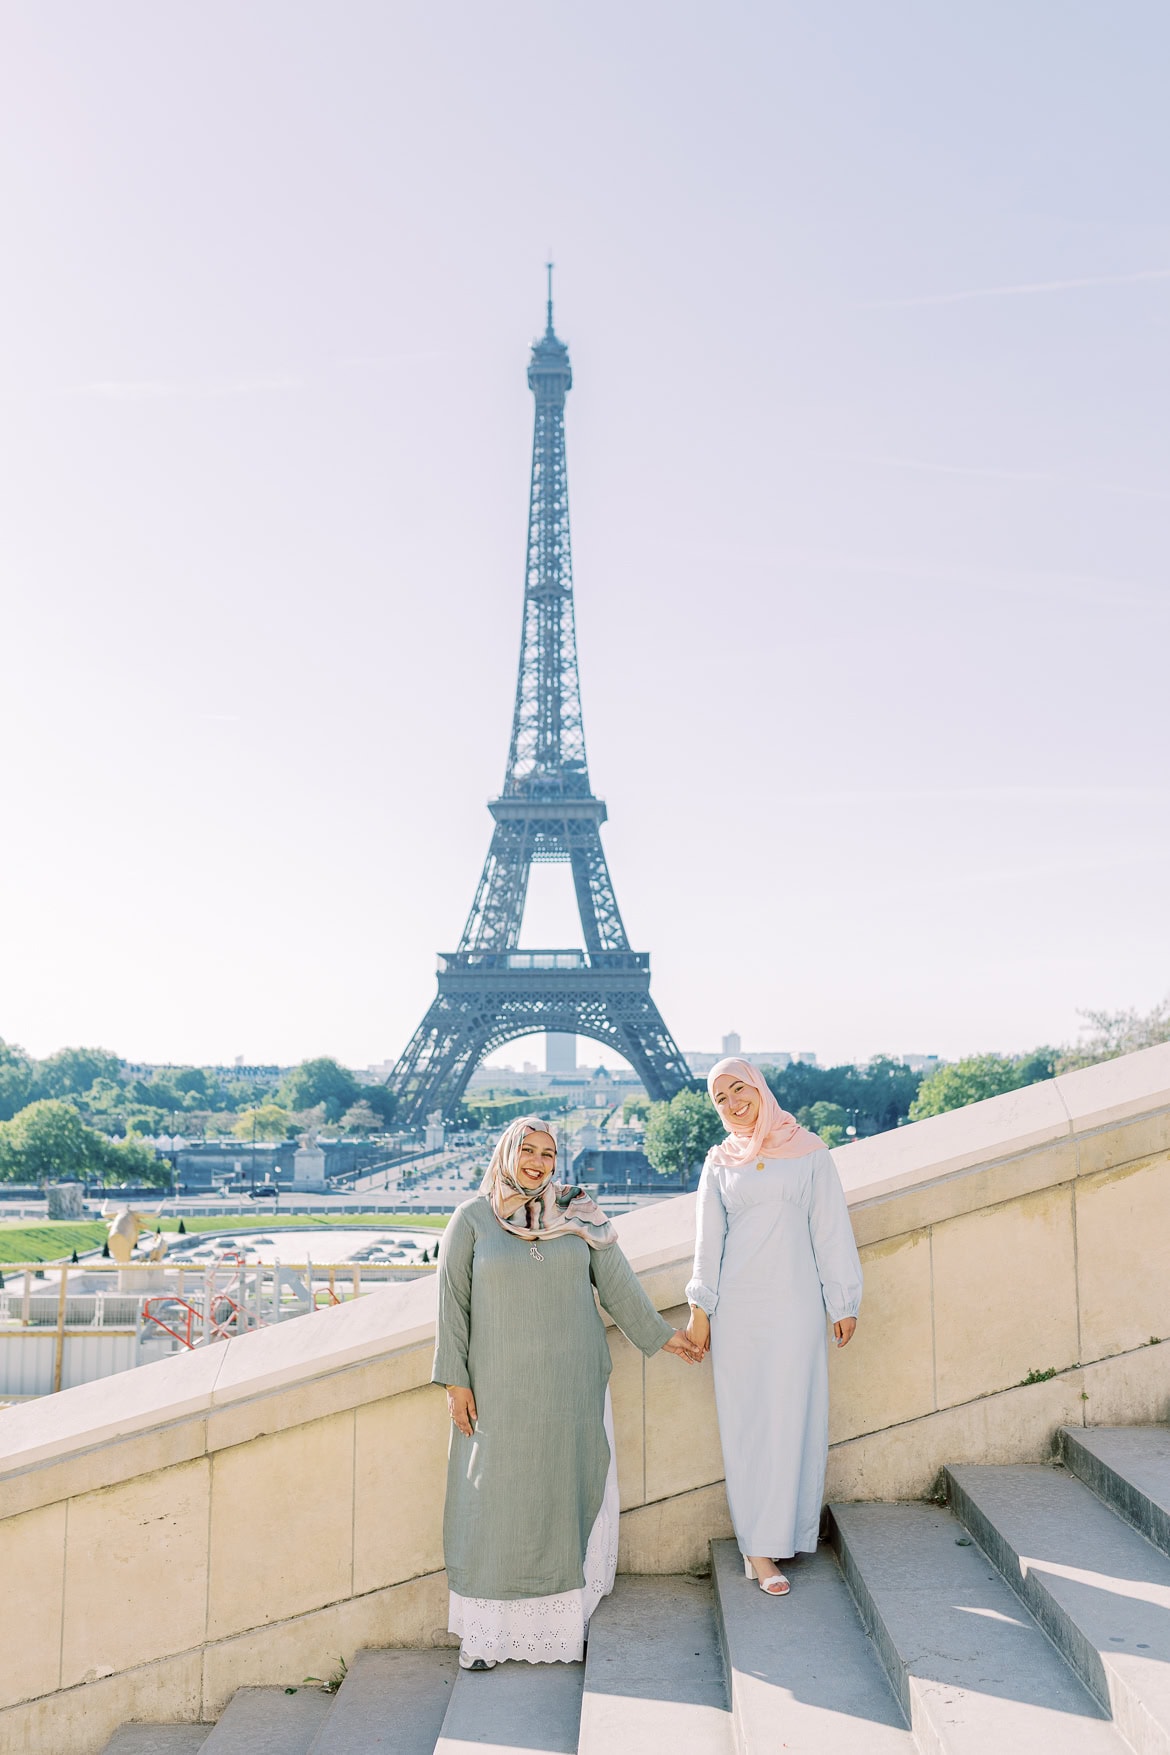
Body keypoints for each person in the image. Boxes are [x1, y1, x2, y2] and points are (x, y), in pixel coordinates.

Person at [433, 1115, 702, 1669]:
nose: (537, 1162)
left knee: (562, 1497)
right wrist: (456, 1382)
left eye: (548, 1154)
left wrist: (663, 1337)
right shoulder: (473, 1220)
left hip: (571, 1386)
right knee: (496, 1505)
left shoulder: (579, 1211)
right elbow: (452, 1307)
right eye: (527, 1150)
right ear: (507, 1152)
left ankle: (557, 1629)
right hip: (499, 1390)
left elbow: (618, 1283)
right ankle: (490, 1637)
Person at [685, 1057, 862, 1596]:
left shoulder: (809, 1153)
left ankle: (784, 1535)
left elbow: (830, 1229)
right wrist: (700, 1305)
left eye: (740, 1090)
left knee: (792, 1419)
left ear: (760, 1089)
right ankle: (758, 1551)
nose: (733, 1104)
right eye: (721, 1099)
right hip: (737, 1311)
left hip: (796, 1307)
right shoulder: (720, 1163)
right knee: (747, 1425)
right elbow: (707, 1240)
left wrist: (842, 1300)